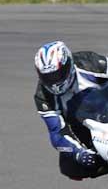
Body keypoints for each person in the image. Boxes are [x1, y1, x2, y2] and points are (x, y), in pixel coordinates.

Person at [34, 40, 108, 179]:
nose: (54, 81)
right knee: (70, 167)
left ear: (69, 64)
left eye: (57, 74)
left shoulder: (89, 63)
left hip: (105, 107)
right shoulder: (43, 96)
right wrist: (80, 154)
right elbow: (57, 132)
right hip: (84, 126)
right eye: (48, 77)